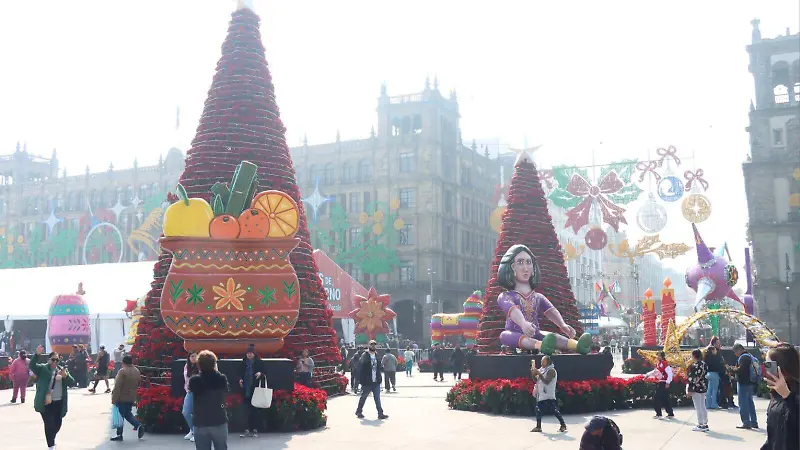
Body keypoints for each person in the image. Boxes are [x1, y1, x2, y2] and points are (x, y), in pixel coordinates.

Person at [496, 245, 592, 354]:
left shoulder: (538, 297)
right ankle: (541, 345)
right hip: (516, 334)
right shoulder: (506, 296)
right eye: (520, 262)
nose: (525, 267)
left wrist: (562, 325)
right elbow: (513, 310)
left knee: (550, 336)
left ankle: (577, 345)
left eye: (528, 262)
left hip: (536, 334)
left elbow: (551, 310)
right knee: (505, 336)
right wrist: (523, 324)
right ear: (512, 267)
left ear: (533, 268)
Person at [30, 345, 74, 450]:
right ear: (49, 360)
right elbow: (32, 365)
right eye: (53, 360)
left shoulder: (62, 370)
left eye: (57, 360)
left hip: (58, 402)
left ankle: (51, 438)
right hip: (46, 402)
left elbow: (72, 382)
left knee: (58, 424)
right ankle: (51, 445)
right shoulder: (43, 368)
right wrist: (36, 355)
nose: (55, 362)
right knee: (49, 423)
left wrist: (66, 376)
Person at [761, 343, 799, 450]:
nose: (767, 370)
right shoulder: (775, 397)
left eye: (769, 365)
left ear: (781, 368)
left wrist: (788, 396)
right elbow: (772, 437)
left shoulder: (795, 395)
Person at [189, 350, 229, 450]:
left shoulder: (194, 380)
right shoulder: (221, 378)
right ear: (214, 364)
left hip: (200, 421)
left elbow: (190, 394)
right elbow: (225, 391)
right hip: (218, 420)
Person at [110, 355, 144, 441]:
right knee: (127, 414)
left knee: (120, 416)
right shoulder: (136, 370)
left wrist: (114, 398)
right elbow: (138, 383)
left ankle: (119, 435)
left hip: (122, 397)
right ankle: (138, 425)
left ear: (123, 362)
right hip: (131, 397)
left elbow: (118, 386)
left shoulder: (122, 371)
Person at [530, 355, 566, 433]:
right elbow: (536, 380)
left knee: (554, 410)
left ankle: (563, 425)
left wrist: (539, 373)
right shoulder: (542, 369)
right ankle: (538, 427)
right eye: (541, 361)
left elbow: (547, 381)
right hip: (541, 394)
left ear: (548, 362)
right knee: (538, 409)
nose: (541, 362)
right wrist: (533, 373)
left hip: (548, 394)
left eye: (543, 361)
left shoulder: (551, 370)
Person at [355, 340, 388, 420]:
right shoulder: (365, 355)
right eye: (371, 345)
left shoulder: (376, 355)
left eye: (374, 345)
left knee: (377, 398)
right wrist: (360, 380)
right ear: (369, 345)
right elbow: (360, 367)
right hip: (367, 381)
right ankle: (359, 411)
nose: (373, 346)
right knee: (364, 397)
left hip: (376, 381)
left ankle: (380, 413)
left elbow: (379, 366)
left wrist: (380, 373)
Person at [238, 344, 265, 438]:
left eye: (251, 353)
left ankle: (255, 428)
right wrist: (240, 379)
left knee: (255, 410)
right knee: (247, 409)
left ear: (254, 353)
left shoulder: (259, 362)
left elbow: (265, 372)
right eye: (247, 353)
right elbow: (239, 373)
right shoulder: (243, 362)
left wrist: (260, 373)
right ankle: (247, 429)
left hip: (255, 388)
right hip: (246, 389)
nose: (249, 355)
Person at [730, 344, 759, 429]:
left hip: (743, 383)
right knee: (750, 402)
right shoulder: (749, 355)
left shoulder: (743, 357)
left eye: (735, 352)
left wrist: (732, 369)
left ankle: (746, 422)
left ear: (739, 350)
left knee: (743, 403)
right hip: (750, 382)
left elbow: (741, 370)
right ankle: (754, 422)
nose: (736, 354)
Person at [645, 351, 675, 419]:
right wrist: (647, 375)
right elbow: (655, 372)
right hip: (660, 382)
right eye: (657, 356)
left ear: (662, 356)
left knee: (656, 398)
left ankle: (659, 414)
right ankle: (670, 413)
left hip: (663, 383)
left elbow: (670, 373)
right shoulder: (658, 364)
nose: (658, 357)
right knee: (665, 399)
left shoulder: (664, 363)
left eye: (659, 356)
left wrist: (668, 382)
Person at [686, 349, 709, 432]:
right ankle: (705, 423)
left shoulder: (693, 366)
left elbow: (691, 379)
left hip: (696, 388)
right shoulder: (704, 364)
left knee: (698, 407)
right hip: (703, 387)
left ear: (694, 356)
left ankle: (700, 424)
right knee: (703, 406)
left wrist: (689, 390)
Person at [183, 352, 200, 442]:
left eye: (195, 356)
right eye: (191, 356)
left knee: (196, 413)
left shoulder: (200, 366)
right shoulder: (187, 366)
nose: (193, 358)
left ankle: (196, 433)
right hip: (189, 391)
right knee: (186, 412)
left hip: (198, 392)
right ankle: (192, 430)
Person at [703, 345, 724, 409]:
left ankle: (708, 404)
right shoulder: (716, 358)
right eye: (714, 349)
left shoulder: (707, 358)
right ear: (712, 351)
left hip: (709, 374)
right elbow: (720, 365)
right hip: (715, 374)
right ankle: (714, 404)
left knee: (709, 390)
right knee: (715, 390)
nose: (716, 351)